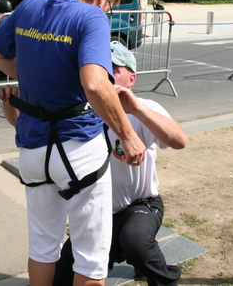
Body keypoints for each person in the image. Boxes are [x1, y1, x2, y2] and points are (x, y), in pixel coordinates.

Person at [0, 0, 146, 286]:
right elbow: (95, 83)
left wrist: (33, 80)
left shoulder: (31, 4)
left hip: (32, 149)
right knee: (91, 255)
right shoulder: (91, 16)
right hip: (77, 149)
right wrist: (127, 135)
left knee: (43, 247)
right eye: (110, 5)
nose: (108, 11)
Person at [51, 42, 188, 286]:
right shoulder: (80, 113)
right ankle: (125, 255)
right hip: (97, 212)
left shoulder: (144, 109)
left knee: (135, 239)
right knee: (60, 277)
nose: (105, 75)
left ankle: (165, 279)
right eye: (100, 69)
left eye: (114, 69)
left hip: (140, 204)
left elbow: (179, 141)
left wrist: (136, 108)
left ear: (131, 78)